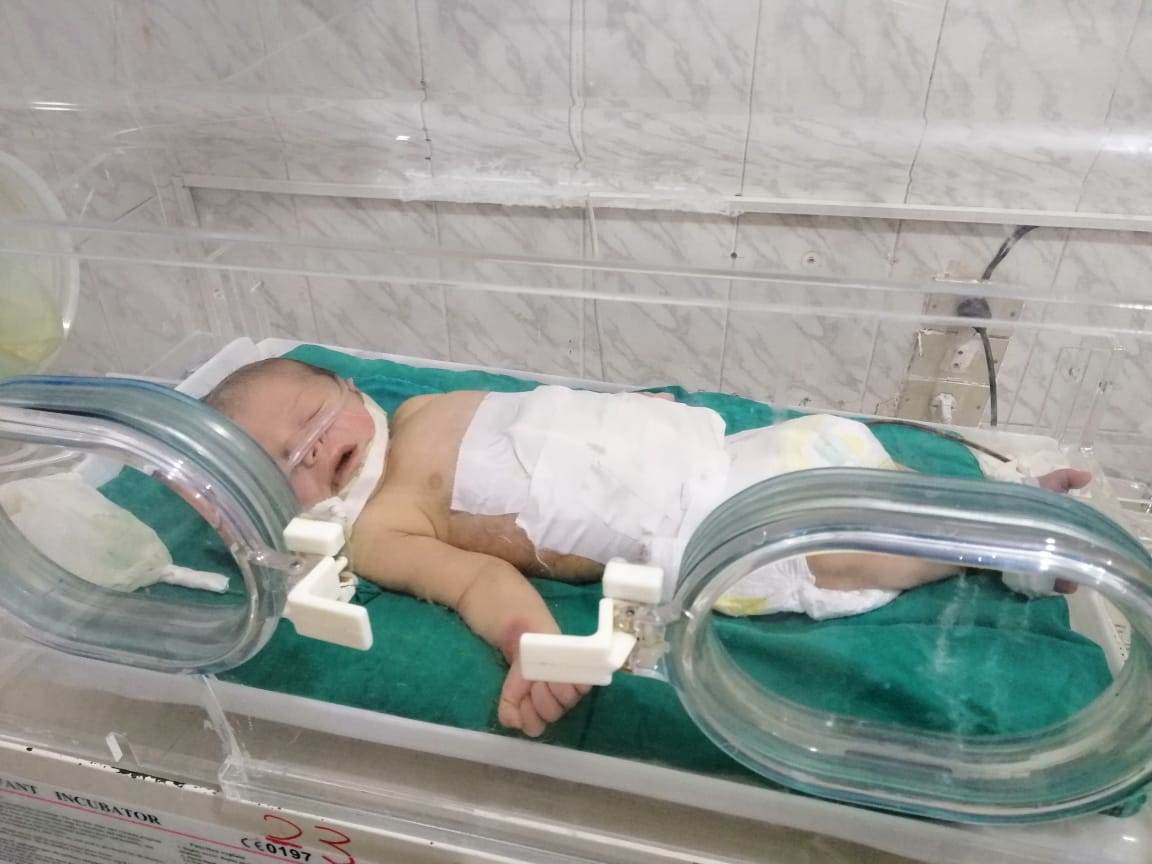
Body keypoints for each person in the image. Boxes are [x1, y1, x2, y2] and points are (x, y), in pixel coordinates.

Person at [205, 357, 1091, 737]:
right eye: (282, 465)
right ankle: (986, 547)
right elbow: (473, 581)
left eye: (310, 418)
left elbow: (545, 408)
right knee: (835, 548)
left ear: (349, 387)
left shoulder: (423, 408)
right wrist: (529, 645)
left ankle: (992, 505)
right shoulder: (381, 526)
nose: (309, 451)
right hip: (689, 524)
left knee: (852, 463)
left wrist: (636, 410)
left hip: (724, 452)